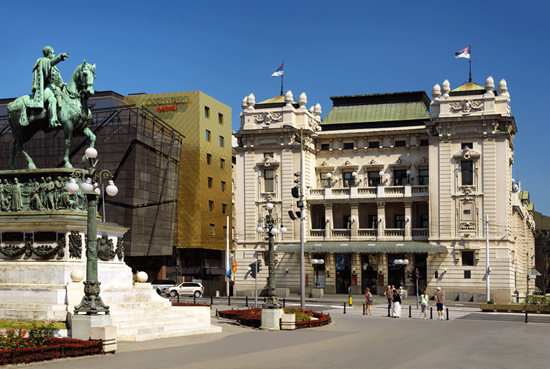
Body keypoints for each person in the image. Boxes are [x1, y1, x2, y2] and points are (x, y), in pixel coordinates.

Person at [30, 46, 70, 130]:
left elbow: (59, 80)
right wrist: (60, 57)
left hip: (57, 88)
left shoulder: (55, 68)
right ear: (48, 54)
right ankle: (52, 121)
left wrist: (63, 84)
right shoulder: (44, 61)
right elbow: (52, 62)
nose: (54, 54)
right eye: (53, 52)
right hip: (48, 88)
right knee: (52, 100)